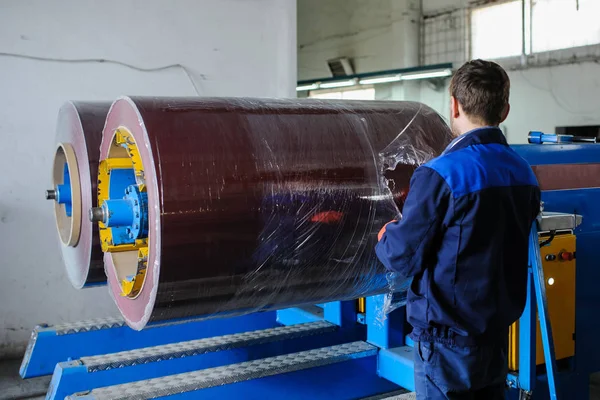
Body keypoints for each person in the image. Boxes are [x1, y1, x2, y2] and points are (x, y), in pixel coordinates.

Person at [375, 59, 541, 399]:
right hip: (494, 340)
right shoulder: (524, 174)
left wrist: (387, 235)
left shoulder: (440, 174)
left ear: (454, 104)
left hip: (444, 347)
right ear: (505, 110)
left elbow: (402, 257)